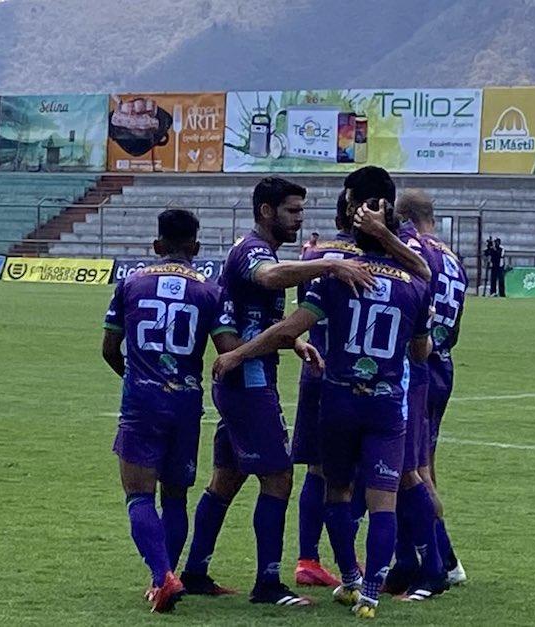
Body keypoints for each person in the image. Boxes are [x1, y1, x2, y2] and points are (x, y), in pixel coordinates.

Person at [213, 199, 433, 619]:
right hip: (386, 403)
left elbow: (289, 329)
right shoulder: (415, 285)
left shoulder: (337, 279)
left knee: (337, 491)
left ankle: (349, 579)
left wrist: (238, 354)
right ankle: (371, 595)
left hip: (339, 400)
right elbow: (421, 352)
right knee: (383, 501)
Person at [180, 176, 373, 608]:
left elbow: (252, 317)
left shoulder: (255, 248)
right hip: (249, 382)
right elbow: (270, 278)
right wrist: (329, 266)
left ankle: (195, 572)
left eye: (301, 211)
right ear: (267, 211)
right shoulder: (254, 251)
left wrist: (295, 341)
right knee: (279, 477)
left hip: (244, 376)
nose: (299, 219)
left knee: (226, 479)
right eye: (292, 211)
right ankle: (267, 583)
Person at [292, 171, 430, 591]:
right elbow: (424, 286)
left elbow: (299, 314)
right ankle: (409, 567)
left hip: (325, 372)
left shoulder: (321, 256)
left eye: (353, 199)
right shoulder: (409, 260)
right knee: (399, 477)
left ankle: (323, 561)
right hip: (384, 384)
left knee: (325, 473)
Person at [101, 209, 240, 613]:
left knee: (139, 495)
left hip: (142, 401)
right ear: (196, 246)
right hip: (185, 402)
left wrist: (135, 377)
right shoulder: (210, 291)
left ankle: (162, 577)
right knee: (175, 496)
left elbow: (109, 349)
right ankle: (164, 578)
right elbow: (228, 351)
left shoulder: (131, 283)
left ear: (157, 245)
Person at [393, 189, 469, 592]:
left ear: (403, 216)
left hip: (414, 366)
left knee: (409, 470)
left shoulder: (409, 248)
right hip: (441, 365)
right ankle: (420, 558)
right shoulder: (452, 257)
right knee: (422, 467)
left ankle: (441, 561)